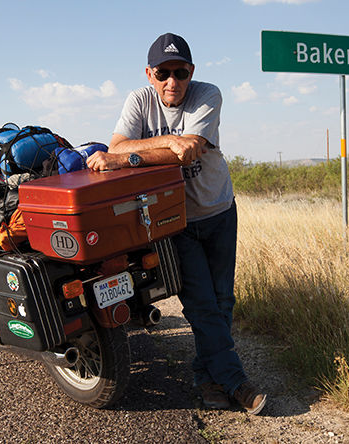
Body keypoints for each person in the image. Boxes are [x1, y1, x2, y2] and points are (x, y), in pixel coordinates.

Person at [87, 32, 266, 413]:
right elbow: (115, 146)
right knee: (200, 303)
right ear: (149, 73)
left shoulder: (208, 94)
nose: (173, 82)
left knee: (222, 300)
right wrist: (165, 143)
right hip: (174, 220)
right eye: (163, 73)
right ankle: (237, 382)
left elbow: (189, 152)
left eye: (180, 72)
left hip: (218, 210)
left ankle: (206, 380)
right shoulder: (139, 99)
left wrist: (129, 156)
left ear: (192, 72)